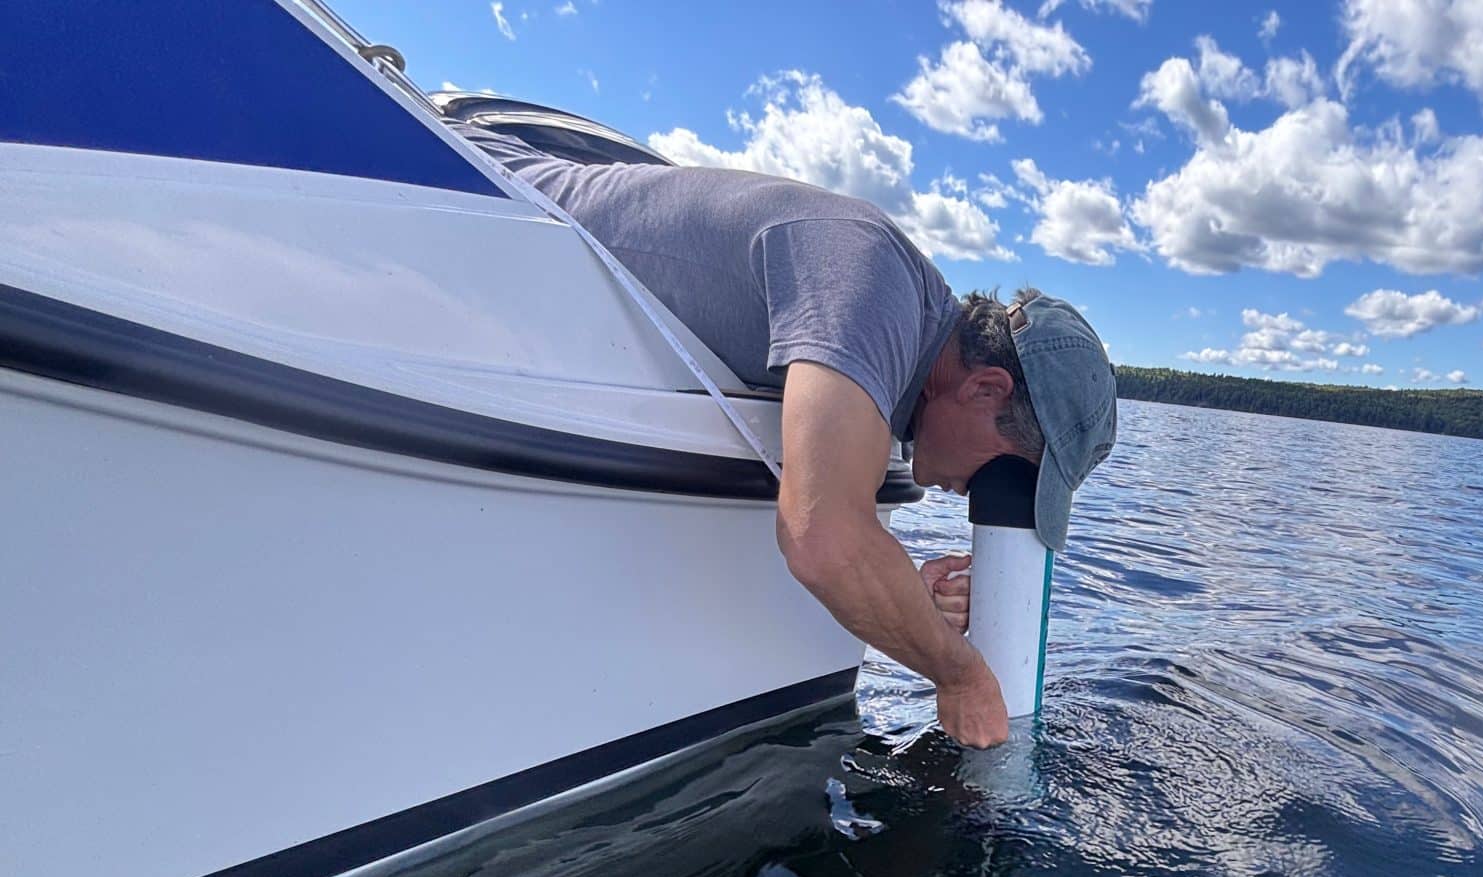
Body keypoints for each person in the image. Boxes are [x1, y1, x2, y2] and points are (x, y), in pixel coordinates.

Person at [453, 123, 1118, 747]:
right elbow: (823, 540)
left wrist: (906, 604)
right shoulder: (875, 280)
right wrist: (959, 675)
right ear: (985, 390)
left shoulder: (888, 367)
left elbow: (837, 538)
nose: (977, 492)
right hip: (471, 196)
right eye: (1007, 472)